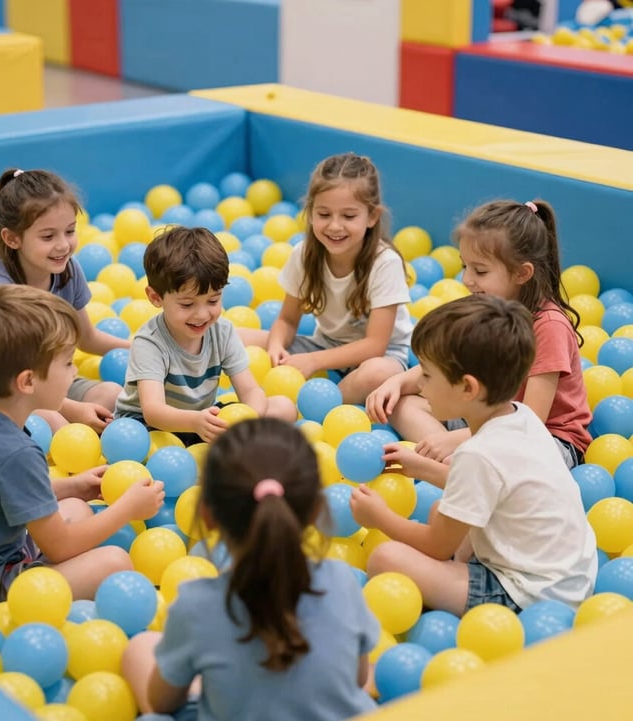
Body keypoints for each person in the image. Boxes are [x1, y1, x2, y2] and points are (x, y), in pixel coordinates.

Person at [0, 285, 165, 601]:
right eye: (68, 363)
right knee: (115, 562)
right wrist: (127, 509)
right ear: (27, 381)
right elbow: (60, 546)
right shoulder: (16, 453)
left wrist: (73, 485)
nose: (74, 373)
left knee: (76, 507)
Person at [351, 295, 597, 616]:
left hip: (529, 597)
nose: (421, 386)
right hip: (570, 578)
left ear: (468, 388)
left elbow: (437, 547)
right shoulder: (520, 417)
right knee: (443, 508)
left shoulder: (477, 453)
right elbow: (497, 486)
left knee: (387, 558)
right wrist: (424, 469)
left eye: (427, 375)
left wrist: (379, 516)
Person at [122, 418, 379, 721]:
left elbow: (163, 702)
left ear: (207, 515)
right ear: (314, 511)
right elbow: (359, 679)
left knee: (140, 651)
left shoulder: (196, 606)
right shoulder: (340, 580)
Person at [366, 199, 591, 470]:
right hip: (486, 415)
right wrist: (399, 382)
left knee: (515, 464)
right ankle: (455, 465)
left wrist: (457, 438)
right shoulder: (486, 309)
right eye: (464, 266)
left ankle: (454, 463)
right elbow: (448, 367)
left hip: (544, 438)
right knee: (402, 405)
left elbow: (529, 420)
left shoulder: (548, 326)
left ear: (522, 273)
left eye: (480, 270)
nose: (467, 279)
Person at [0, 168, 130, 433]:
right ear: (12, 238)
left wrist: (144, 348)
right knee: (51, 421)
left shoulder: (67, 272)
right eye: (48, 236)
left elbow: (87, 338)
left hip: (40, 378)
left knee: (111, 394)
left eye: (70, 231)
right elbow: (6, 379)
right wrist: (72, 410)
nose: (63, 245)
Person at [237, 152, 412, 405]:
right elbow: (287, 319)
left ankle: (320, 402)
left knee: (377, 374)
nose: (334, 226)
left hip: (378, 357)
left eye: (349, 216)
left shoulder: (385, 263)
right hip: (325, 345)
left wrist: (312, 362)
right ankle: (311, 392)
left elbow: (375, 345)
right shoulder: (305, 255)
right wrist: (276, 346)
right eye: (324, 214)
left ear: (372, 216)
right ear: (310, 212)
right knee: (233, 337)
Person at [114, 226, 297, 444]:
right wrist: (195, 422)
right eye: (187, 304)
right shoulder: (150, 342)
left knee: (283, 407)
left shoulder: (222, 332)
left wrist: (249, 419)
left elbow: (250, 390)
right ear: (155, 297)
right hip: (151, 427)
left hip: (201, 420)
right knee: (136, 442)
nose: (202, 315)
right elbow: (153, 410)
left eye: (213, 301)